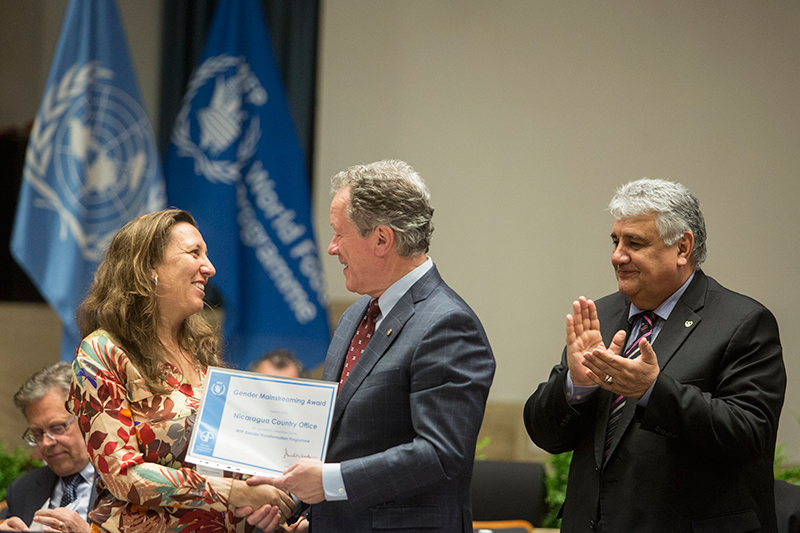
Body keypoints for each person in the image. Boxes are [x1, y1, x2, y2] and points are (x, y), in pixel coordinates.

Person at [239, 159, 496, 532]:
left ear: (381, 239)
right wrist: (303, 511)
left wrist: (326, 483)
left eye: (339, 234)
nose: (331, 248)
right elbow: (339, 441)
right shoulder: (355, 314)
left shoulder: (448, 324)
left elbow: (441, 455)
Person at [524, 178, 786, 532]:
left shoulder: (743, 322)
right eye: (616, 241)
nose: (618, 255)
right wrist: (576, 385)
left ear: (682, 248)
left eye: (635, 243)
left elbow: (749, 434)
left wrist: (652, 390)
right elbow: (546, 435)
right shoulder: (601, 316)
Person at [68, 209, 293, 533]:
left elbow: (228, 460)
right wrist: (233, 493)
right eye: (194, 253)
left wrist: (266, 508)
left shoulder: (200, 351)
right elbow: (122, 476)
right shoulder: (102, 352)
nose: (210, 268)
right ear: (148, 269)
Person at [0, 362, 96, 533]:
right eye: (37, 433)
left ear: (86, 418)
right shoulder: (23, 489)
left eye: (57, 428)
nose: (46, 442)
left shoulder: (126, 485)